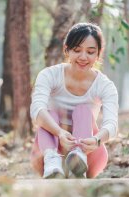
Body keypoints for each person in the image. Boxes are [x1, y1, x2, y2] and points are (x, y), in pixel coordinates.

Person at [30, 22, 118, 179]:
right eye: (77, 50)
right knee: (47, 115)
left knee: (83, 111)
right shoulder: (49, 75)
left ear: (98, 54)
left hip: (89, 154)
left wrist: (96, 140)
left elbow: (112, 125)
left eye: (90, 52)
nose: (83, 57)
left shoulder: (105, 85)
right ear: (66, 50)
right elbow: (36, 110)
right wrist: (59, 133)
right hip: (47, 152)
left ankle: (78, 160)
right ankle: (53, 162)